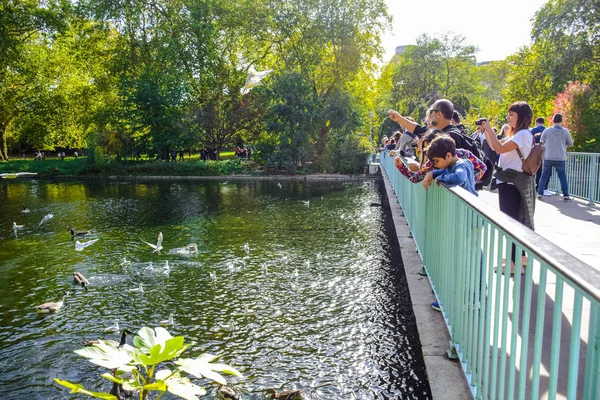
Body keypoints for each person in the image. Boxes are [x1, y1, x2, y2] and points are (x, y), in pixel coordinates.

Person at [481, 101, 535, 274]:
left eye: (512, 114)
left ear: (521, 116)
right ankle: (519, 257)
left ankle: (514, 262)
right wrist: (487, 131)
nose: (508, 117)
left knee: (511, 222)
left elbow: (499, 148)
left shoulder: (522, 135)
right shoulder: (518, 134)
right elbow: (494, 147)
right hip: (509, 181)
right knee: (514, 220)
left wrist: (489, 130)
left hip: (512, 182)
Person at [393, 129, 486, 184]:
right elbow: (415, 178)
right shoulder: (431, 162)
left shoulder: (464, 155)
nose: (429, 153)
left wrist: (470, 180)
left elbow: (482, 168)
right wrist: (401, 166)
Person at [537, 113, 573, 201]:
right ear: (561, 121)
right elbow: (570, 144)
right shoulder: (565, 131)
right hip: (560, 157)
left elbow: (541, 142)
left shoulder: (547, 131)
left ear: (553, 120)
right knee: (562, 177)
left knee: (544, 175)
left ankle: (540, 193)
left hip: (548, 156)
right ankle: (566, 195)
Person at [531, 117, 550, 190]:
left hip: (535, 152)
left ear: (537, 122)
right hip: (546, 152)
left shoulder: (534, 130)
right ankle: (543, 187)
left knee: (535, 169)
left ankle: (535, 185)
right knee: (544, 171)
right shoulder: (547, 130)